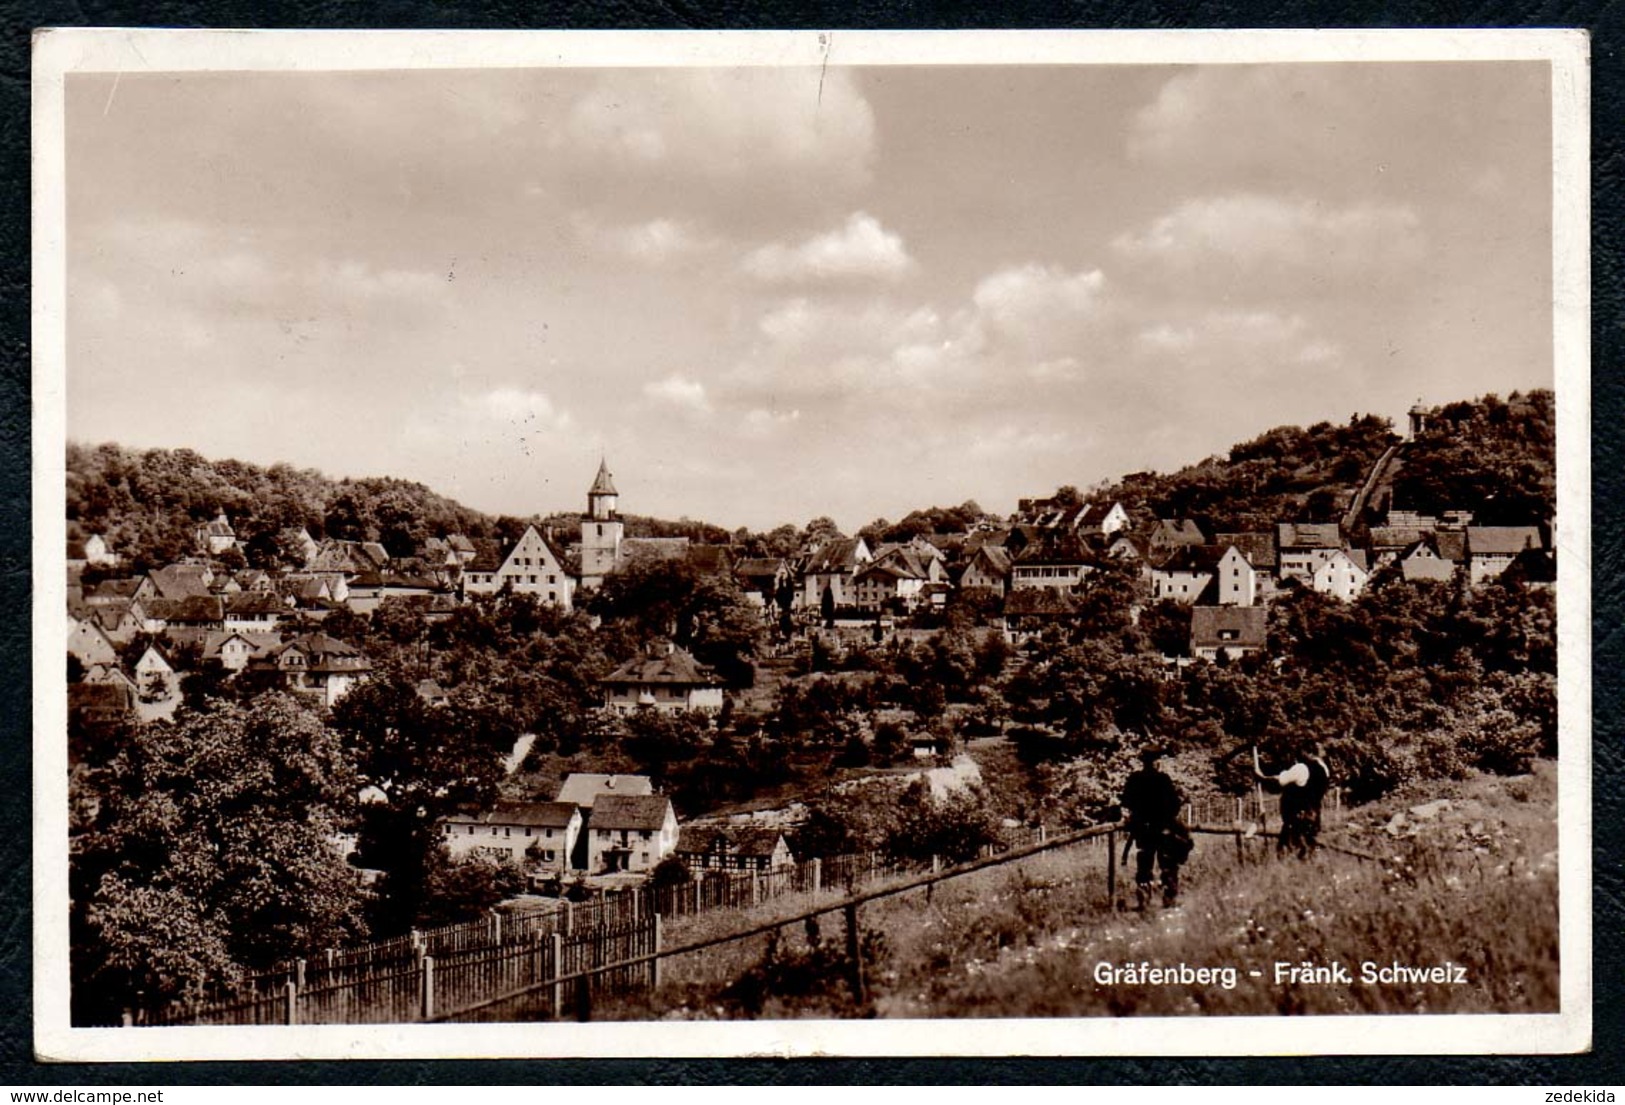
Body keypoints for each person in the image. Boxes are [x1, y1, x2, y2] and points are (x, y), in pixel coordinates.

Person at [1120, 744, 1190, 910]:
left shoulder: (1134, 779)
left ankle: (1144, 900)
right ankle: (1169, 900)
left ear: (1143, 761)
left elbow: (1126, 802)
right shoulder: (1163, 779)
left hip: (1143, 830)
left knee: (1144, 865)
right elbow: (1175, 805)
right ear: (1157, 761)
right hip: (1163, 829)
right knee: (1167, 865)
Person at [1254, 742, 1332, 858]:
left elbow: (1278, 781)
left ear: (1307, 753)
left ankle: (1296, 868)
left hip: (1297, 818)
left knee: (1288, 850)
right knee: (1312, 844)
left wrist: (1261, 777)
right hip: (1314, 815)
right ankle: (1316, 863)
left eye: (1301, 752)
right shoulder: (1324, 769)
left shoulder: (1301, 768)